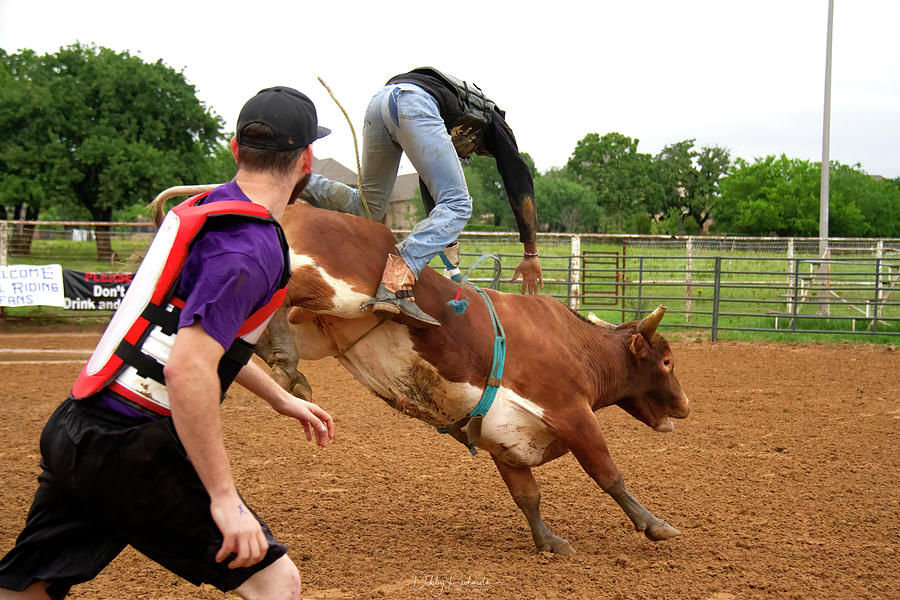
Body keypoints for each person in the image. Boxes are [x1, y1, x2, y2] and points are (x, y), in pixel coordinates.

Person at [0, 87, 335, 600]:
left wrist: (280, 397)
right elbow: (188, 368)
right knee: (275, 583)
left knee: (28, 589)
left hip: (77, 428)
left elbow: (186, 335)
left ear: (234, 149)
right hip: (131, 446)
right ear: (307, 159)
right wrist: (224, 500)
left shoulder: (205, 209)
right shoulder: (250, 245)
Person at [300, 67, 543, 326]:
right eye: (480, 152)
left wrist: (452, 265)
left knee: (367, 205)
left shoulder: (454, 118)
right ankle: (396, 277)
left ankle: (296, 176)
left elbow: (434, 193)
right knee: (460, 204)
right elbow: (518, 179)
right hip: (413, 101)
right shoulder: (496, 124)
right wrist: (531, 253)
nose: (475, 155)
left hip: (380, 102)